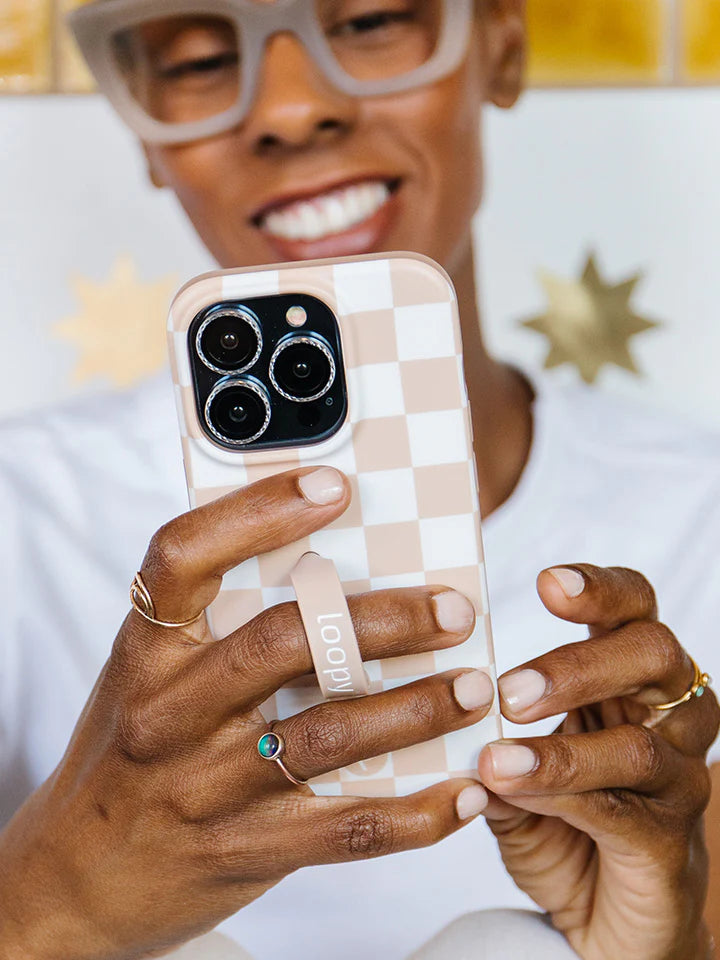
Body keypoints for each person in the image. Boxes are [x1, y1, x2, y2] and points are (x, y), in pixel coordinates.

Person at [0, 1, 718, 958]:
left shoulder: (699, 512)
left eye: (371, 18)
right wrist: (55, 904)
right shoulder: (21, 514)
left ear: (501, 46)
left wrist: (677, 945)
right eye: (204, 58)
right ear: (142, 126)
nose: (292, 108)